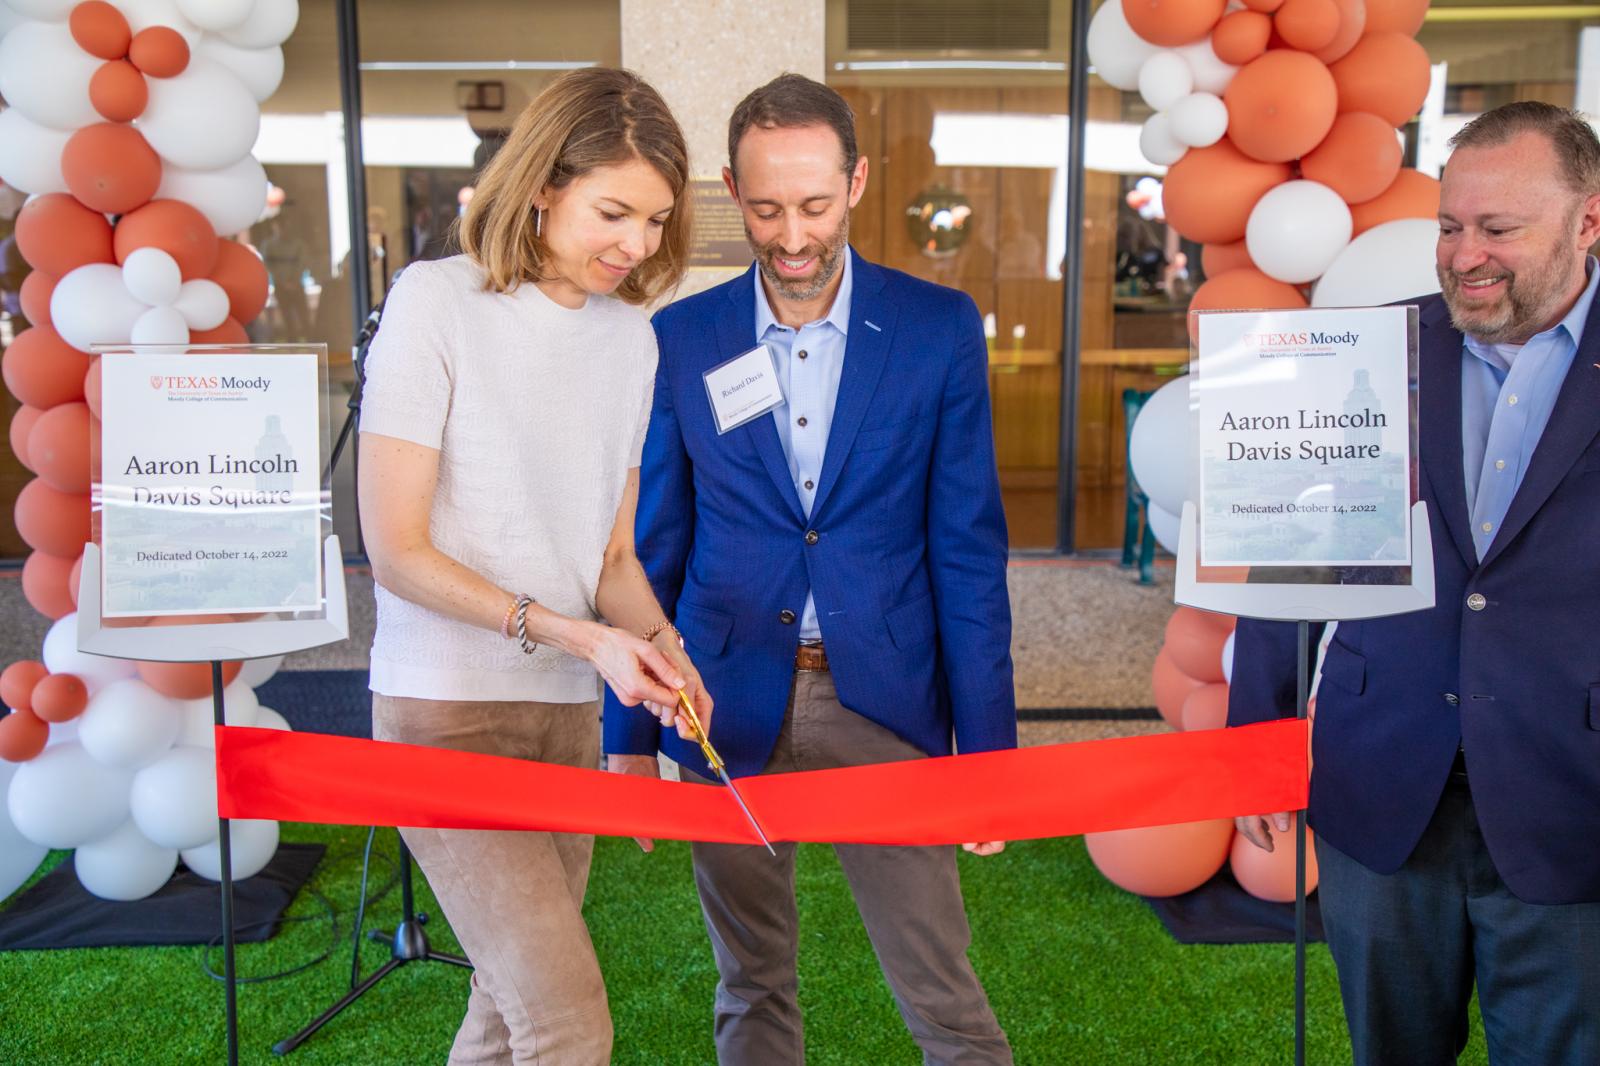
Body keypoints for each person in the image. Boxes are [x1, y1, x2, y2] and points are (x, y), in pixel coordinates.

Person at [604, 74, 1017, 1065]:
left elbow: (966, 548)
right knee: (750, 981)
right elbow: (650, 547)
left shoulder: (937, 328)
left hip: (882, 696)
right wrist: (625, 737)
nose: (792, 236)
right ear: (729, 194)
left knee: (942, 992)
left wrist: (990, 756)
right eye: (765, 208)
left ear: (857, 181)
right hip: (723, 701)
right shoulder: (680, 336)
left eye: (815, 206)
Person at [1230, 101, 1600, 1066]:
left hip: (1576, 798)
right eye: (1449, 225)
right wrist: (1255, 737)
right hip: (1381, 785)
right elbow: (1289, 552)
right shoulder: (1358, 351)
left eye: (1498, 229)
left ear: (1588, 222)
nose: (1463, 254)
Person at [358, 68, 713, 1066]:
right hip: (442, 712)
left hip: (563, 715)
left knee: (507, 1010)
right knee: (566, 1022)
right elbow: (396, 551)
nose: (638, 246)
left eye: (654, 219)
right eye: (614, 211)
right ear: (544, 184)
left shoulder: (629, 340)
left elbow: (609, 560)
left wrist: (663, 649)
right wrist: (574, 634)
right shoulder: (434, 303)